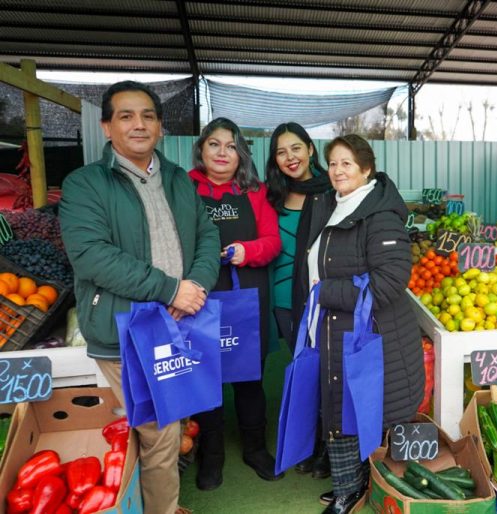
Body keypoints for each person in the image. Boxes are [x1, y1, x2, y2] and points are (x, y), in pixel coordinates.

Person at [60, 81, 220, 514]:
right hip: (125, 329)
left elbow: (207, 235)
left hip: (180, 319)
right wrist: (170, 288)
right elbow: (92, 256)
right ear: (106, 126)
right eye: (126, 116)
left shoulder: (177, 180)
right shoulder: (85, 184)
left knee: (163, 426)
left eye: (148, 115)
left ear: (160, 128)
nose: (139, 124)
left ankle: (157, 504)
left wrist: (196, 287)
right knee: (160, 429)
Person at [296, 134, 424, 514]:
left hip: (372, 336)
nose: (337, 171)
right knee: (343, 406)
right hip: (339, 329)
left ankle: (357, 489)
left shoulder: (380, 214)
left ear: (366, 169)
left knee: (361, 409)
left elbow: (389, 282)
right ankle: (350, 486)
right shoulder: (335, 205)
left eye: (347, 163)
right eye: (333, 163)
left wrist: (327, 291)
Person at [188, 118, 283, 489]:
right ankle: (211, 456)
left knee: (250, 377)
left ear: (240, 152)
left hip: (248, 292)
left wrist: (248, 250)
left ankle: (255, 448)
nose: (222, 152)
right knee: (206, 376)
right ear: (202, 149)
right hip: (200, 294)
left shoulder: (255, 191)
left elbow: (273, 242)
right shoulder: (185, 187)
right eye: (214, 144)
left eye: (230, 145)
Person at [265, 122, 332, 479]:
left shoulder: (332, 188)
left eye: (295, 148)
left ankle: (327, 446)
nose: (290, 157)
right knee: (302, 373)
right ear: (274, 160)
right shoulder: (272, 195)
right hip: (283, 299)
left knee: (326, 372)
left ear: (309, 149)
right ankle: (308, 444)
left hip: (322, 297)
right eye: (280, 151)